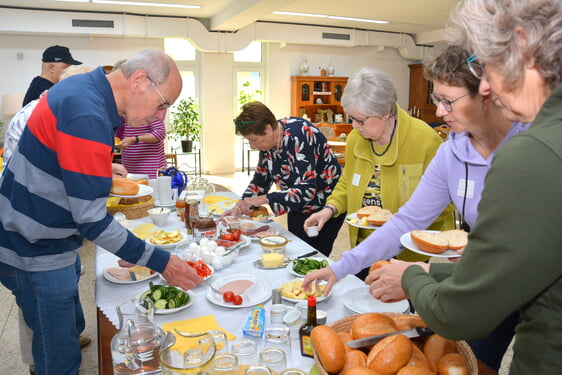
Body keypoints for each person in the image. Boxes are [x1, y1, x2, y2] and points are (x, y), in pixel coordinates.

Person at [303, 45, 529, 371]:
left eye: (447, 101)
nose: (438, 112)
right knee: (474, 361)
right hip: (482, 278)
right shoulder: (452, 152)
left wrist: (425, 272)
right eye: (437, 100)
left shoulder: (530, 146)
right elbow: (405, 221)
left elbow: (524, 254)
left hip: (538, 290)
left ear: (487, 95)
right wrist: (339, 268)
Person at [368, 1, 562, 374]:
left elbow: (459, 315)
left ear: (520, 45)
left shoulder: (531, 154)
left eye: (487, 66)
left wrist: (409, 275)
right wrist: (433, 272)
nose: (486, 86)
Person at [0, 50, 203, 375]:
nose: (159, 115)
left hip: (41, 237)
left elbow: (58, 159)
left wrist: (99, 169)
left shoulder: (82, 90)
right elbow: (92, 219)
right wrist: (160, 261)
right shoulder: (87, 114)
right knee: (60, 361)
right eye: (163, 103)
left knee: (62, 334)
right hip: (35, 249)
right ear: (139, 81)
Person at [303, 67, 455, 272]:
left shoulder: (426, 141)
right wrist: (329, 210)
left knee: (397, 302)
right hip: (364, 247)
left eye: (360, 120)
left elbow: (444, 203)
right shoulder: (357, 138)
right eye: (351, 119)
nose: (354, 126)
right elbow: (348, 181)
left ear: (384, 113)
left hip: (406, 252)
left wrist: (400, 222)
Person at [222, 101, 344, 255]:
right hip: (297, 204)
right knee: (294, 251)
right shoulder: (268, 144)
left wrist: (263, 199)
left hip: (324, 206)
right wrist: (239, 206)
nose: (252, 146)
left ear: (268, 129)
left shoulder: (299, 135)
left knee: (312, 258)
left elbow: (306, 190)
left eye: (253, 140)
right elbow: (261, 180)